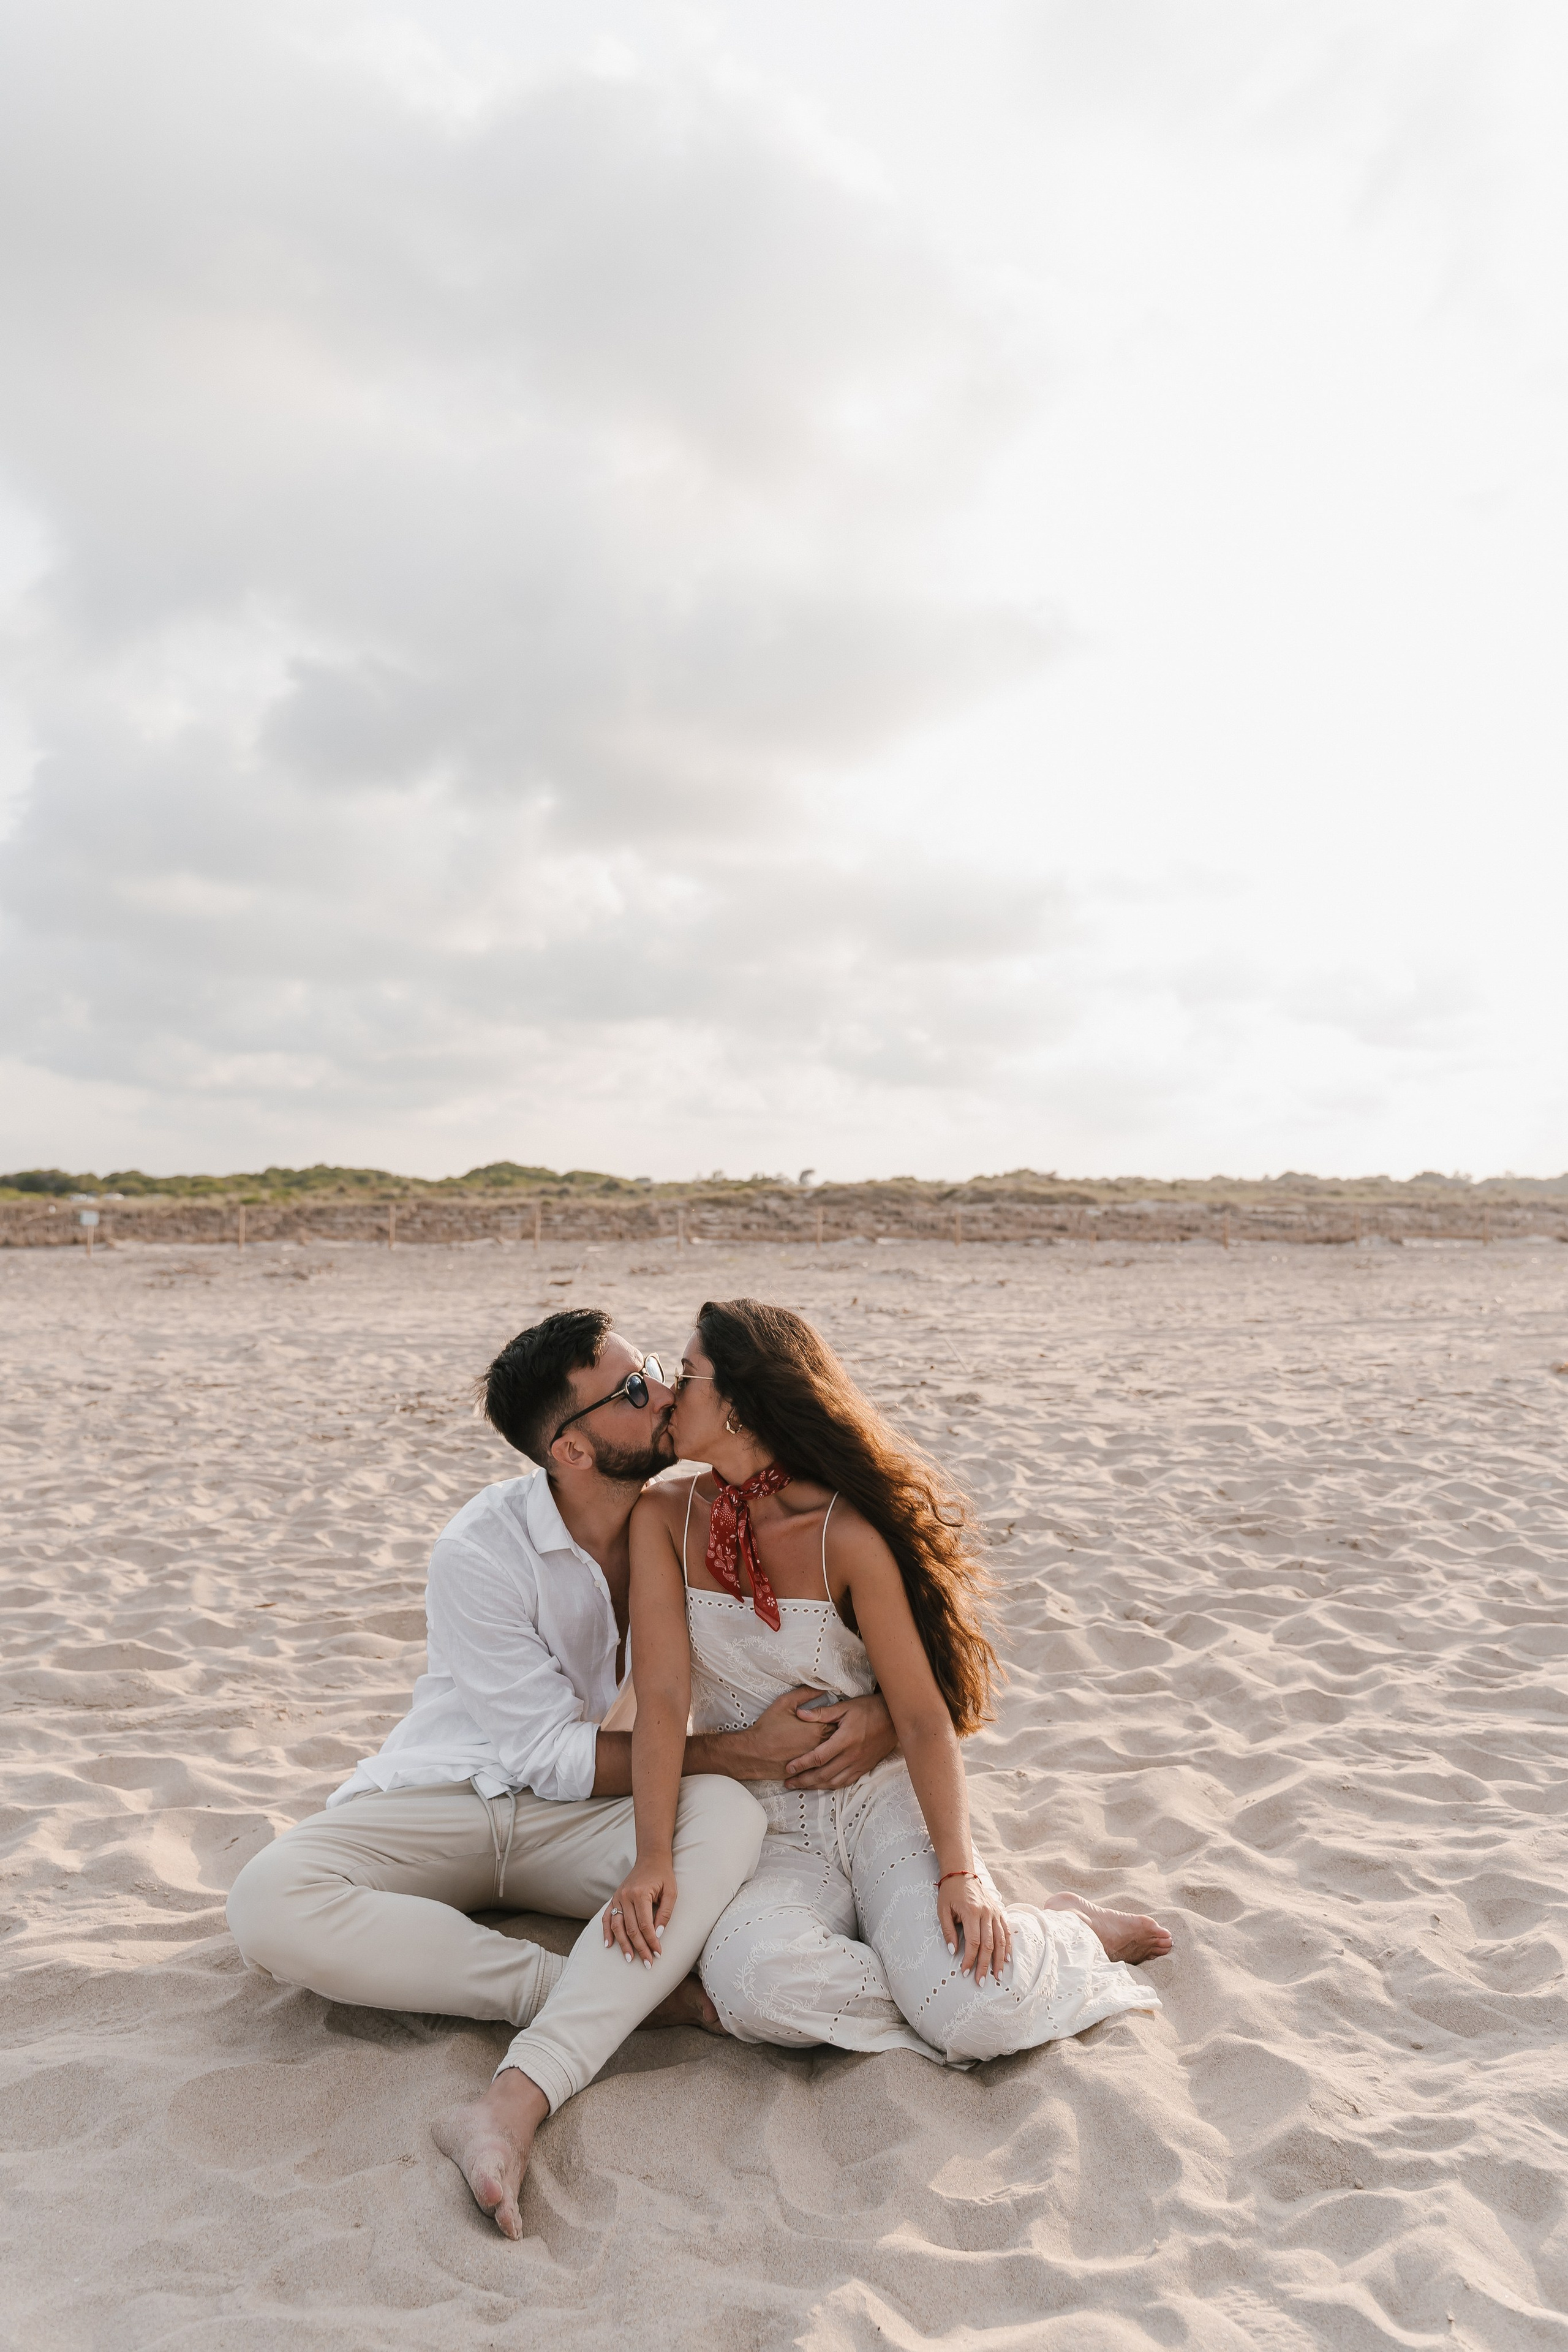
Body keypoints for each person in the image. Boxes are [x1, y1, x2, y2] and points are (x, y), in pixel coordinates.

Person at [225, 1308, 899, 2239]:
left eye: (656, 1369)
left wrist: (880, 1714)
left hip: (587, 1821)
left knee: (728, 1823)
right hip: (453, 1794)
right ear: (572, 1451)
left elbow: (863, 1637)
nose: (664, 1393)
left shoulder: (709, 1515)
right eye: (632, 1391)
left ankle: (520, 2084)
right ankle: (578, 1992)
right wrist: (740, 1753)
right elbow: (544, 1755)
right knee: (268, 1903)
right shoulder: (482, 1548)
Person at [608, 1298, 1170, 2068]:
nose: (671, 1389)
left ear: (739, 1405)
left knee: (978, 2010)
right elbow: (665, 1697)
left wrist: (960, 1873)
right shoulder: (663, 1518)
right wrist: (652, 1860)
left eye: (689, 1373)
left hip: (879, 1801)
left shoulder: (846, 1532)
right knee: (753, 1985)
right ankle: (925, 1982)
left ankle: (1065, 1933)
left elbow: (921, 1717)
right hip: (761, 1826)